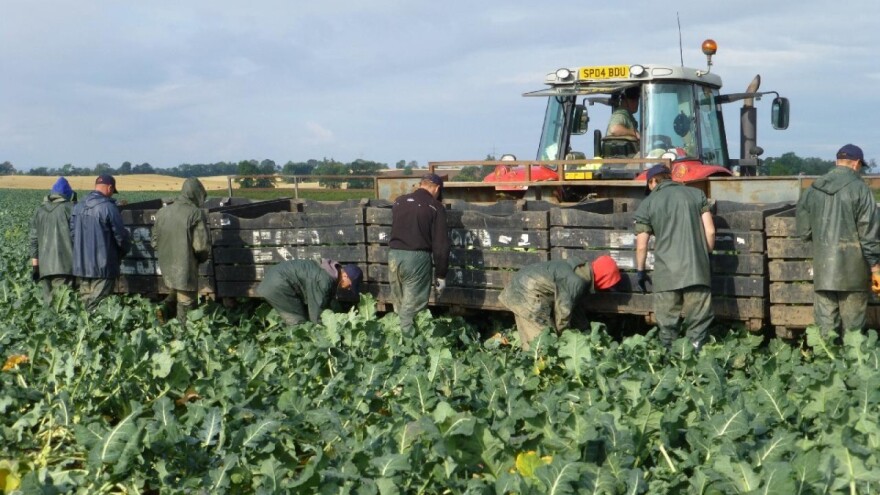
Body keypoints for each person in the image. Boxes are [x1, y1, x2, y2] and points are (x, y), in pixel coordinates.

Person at [796, 144, 880, 334]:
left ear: (837, 162)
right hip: (854, 273)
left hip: (824, 271)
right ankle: (852, 363)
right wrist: (875, 268)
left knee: (825, 332)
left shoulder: (813, 189)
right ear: (856, 164)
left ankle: (826, 362)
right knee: (853, 335)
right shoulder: (861, 190)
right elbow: (869, 234)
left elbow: (804, 231)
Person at [634, 164, 715, 351]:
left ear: (653, 181)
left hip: (666, 275)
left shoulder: (647, 203)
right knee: (698, 323)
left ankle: (670, 359)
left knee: (667, 326)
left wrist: (640, 271)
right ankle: (694, 357)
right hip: (696, 271)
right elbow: (710, 231)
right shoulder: (696, 195)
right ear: (669, 177)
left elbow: (641, 246)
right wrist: (706, 256)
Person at [498, 256, 621, 350]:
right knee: (543, 344)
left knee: (532, 341)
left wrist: (584, 330)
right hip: (527, 294)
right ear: (603, 279)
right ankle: (542, 377)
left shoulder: (579, 269)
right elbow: (563, 314)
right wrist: (567, 339)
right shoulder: (576, 282)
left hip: (522, 285)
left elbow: (574, 307)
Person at [388, 173, 450, 333]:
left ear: (420, 184)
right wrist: (441, 275)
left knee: (400, 305)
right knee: (413, 310)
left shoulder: (399, 202)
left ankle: (395, 340)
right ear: (437, 188)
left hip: (394, 257)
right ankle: (409, 349)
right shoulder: (435, 207)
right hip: (416, 260)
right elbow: (441, 244)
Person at [153, 177, 211, 326]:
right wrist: (201, 258)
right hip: (186, 264)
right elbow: (201, 247)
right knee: (187, 301)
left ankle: (163, 310)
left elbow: (154, 242)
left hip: (166, 265)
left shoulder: (162, 212)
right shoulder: (195, 213)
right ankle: (182, 334)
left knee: (176, 289)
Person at [70, 175, 131, 310]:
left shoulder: (78, 207)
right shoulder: (108, 207)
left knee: (84, 305)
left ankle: (84, 330)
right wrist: (122, 252)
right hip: (103, 267)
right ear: (110, 187)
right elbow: (121, 236)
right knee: (97, 307)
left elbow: (73, 234)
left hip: (81, 266)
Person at [256, 259, 362, 325]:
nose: (348, 288)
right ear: (345, 276)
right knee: (298, 323)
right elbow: (316, 315)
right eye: (350, 285)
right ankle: (298, 354)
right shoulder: (325, 281)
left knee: (300, 320)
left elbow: (325, 304)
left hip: (276, 279)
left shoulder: (327, 272)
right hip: (279, 284)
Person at [28, 177, 76, 306]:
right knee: (63, 308)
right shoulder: (70, 209)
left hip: (44, 268)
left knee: (48, 307)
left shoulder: (39, 211)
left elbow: (33, 240)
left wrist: (35, 267)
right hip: (64, 267)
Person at [603, 87, 640, 157]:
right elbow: (614, 129)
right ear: (624, 100)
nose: (636, 103)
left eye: (637, 100)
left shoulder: (628, 116)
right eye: (633, 100)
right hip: (621, 159)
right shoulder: (621, 114)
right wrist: (635, 133)